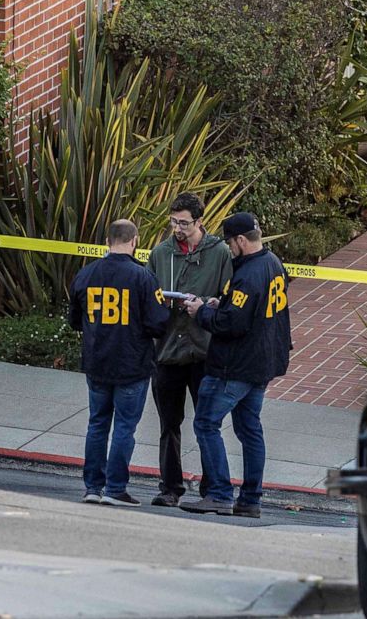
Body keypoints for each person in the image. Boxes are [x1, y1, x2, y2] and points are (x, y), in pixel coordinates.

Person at [179, 212, 292, 518]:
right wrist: (223, 302)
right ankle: (250, 499)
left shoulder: (248, 273)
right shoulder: (273, 264)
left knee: (205, 423)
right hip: (263, 363)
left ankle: (218, 494)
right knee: (249, 429)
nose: (229, 248)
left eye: (230, 242)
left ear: (241, 240)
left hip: (236, 366)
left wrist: (201, 312)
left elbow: (232, 324)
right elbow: (250, 309)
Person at [68, 219, 168, 507]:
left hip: (97, 363)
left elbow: (75, 319)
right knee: (124, 427)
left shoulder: (87, 274)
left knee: (97, 425)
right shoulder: (143, 278)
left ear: (107, 241)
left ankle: (92, 487)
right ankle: (115, 488)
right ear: (135, 240)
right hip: (131, 365)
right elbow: (158, 324)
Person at [146, 193, 232, 507]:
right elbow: (147, 294)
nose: (178, 228)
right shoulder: (161, 253)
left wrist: (212, 304)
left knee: (208, 422)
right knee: (169, 423)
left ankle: (212, 488)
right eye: (174, 222)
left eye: (184, 223)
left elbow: (230, 296)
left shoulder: (219, 253)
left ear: (199, 222)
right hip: (168, 351)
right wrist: (161, 305)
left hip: (204, 350)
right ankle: (170, 487)